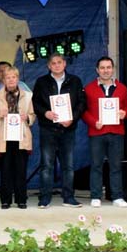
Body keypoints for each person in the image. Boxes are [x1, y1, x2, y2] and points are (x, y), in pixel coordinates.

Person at [32, 53, 86, 209]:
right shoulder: (41, 82)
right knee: (46, 165)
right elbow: (35, 102)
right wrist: (45, 113)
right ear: (49, 66)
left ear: (65, 64)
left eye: (59, 62)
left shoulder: (75, 81)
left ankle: (68, 197)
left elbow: (82, 103)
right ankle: (45, 198)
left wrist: (72, 118)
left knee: (68, 165)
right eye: (53, 63)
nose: (56, 65)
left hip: (68, 129)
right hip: (48, 129)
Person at [81, 57, 127, 208]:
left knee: (116, 166)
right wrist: (93, 122)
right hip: (96, 132)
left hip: (117, 131)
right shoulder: (88, 88)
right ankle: (96, 196)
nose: (105, 70)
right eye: (102, 68)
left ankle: (117, 196)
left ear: (113, 69)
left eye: (108, 67)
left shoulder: (122, 88)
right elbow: (83, 110)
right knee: (96, 165)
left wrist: (124, 113)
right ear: (97, 70)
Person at [0, 66, 35, 209]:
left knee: (21, 170)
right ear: (3, 80)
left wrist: (27, 117)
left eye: (13, 77)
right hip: (3, 138)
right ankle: (5, 200)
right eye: (8, 77)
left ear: (18, 79)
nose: (11, 80)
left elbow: (33, 115)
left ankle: (21, 199)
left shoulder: (27, 95)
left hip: (21, 137)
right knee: (5, 170)